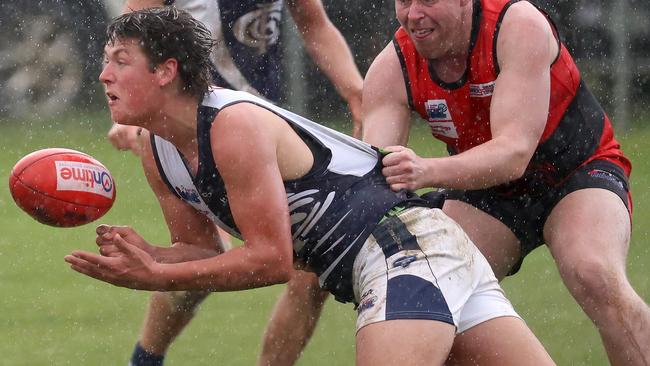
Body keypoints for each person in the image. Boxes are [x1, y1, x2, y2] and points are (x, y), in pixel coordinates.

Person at [64, 7, 556, 366]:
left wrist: (156, 275)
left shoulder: (232, 126)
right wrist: (149, 255)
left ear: (166, 71)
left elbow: (272, 261)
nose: (104, 75)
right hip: (417, 252)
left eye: (120, 61)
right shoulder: (157, 147)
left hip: (404, 250)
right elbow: (198, 249)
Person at [360, 0, 650, 364]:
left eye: (428, 0)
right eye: (404, 1)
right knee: (432, 297)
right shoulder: (392, 67)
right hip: (486, 190)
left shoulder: (517, 24)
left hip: (575, 171)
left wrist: (425, 170)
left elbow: (514, 154)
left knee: (593, 273)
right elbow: (373, 174)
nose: (414, 14)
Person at [107, 1, 362, 364]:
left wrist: (356, 91)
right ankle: (146, 359)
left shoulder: (242, 121)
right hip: (183, 126)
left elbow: (315, 24)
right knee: (201, 255)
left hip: (252, 129)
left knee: (313, 269)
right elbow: (128, 43)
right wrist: (133, 112)